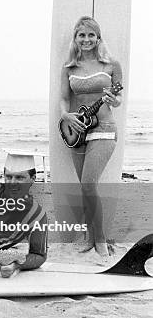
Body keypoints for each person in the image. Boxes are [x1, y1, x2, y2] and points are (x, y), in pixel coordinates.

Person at [60, 15, 122, 258]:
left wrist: (112, 99)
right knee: (84, 188)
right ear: (75, 39)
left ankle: (100, 239)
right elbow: (64, 98)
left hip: (104, 128)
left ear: (98, 38)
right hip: (78, 131)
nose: (86, 40)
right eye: (81, 35)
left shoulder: (111, 65)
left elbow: (118, 99)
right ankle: (87, 236)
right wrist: (65, 116)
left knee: (89, 184)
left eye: (91, 35)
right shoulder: (69, 68)